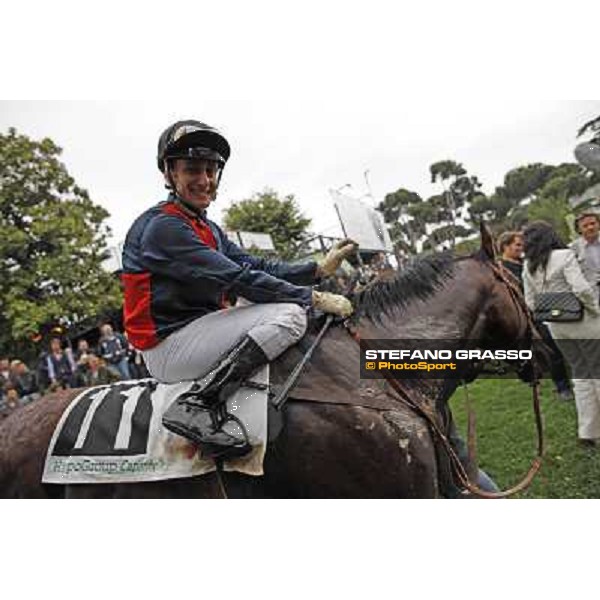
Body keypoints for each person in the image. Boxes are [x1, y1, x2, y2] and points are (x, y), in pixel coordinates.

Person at [121, 119, 356, 458]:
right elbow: (238, 279)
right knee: (290, 316)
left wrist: (316, 269)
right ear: (169, 174)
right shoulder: (164, 227)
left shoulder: (206, 227)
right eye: (192, 170)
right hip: (166, 348)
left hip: (194, 332)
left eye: (210, 170)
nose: (204, 180)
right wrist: (311, 297)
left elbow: (255, 266)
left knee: (281, 312)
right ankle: (198, 404)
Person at [523, 221, 600, 447]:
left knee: (580, 375)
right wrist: (595, 309)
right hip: (584, 322)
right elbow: (582, 289)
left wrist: (550, 316)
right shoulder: (564, 255)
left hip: (557, 327)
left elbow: (530, 302)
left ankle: (588, 432)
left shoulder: (528, 265)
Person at [498, 231, 573, 400]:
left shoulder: (526, 263)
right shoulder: (501, 270)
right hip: (531, 314)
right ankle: (562, 387)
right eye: (517, 245)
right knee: (553, 351)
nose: (521, 248)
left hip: (550, 305)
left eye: (521, 244)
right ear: (505, 247)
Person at [570, 210, 600, 287]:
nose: (590, 227)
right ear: (579, 229)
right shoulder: (573, 249)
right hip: (592, 292)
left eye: (593, 223)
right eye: (585, 226)